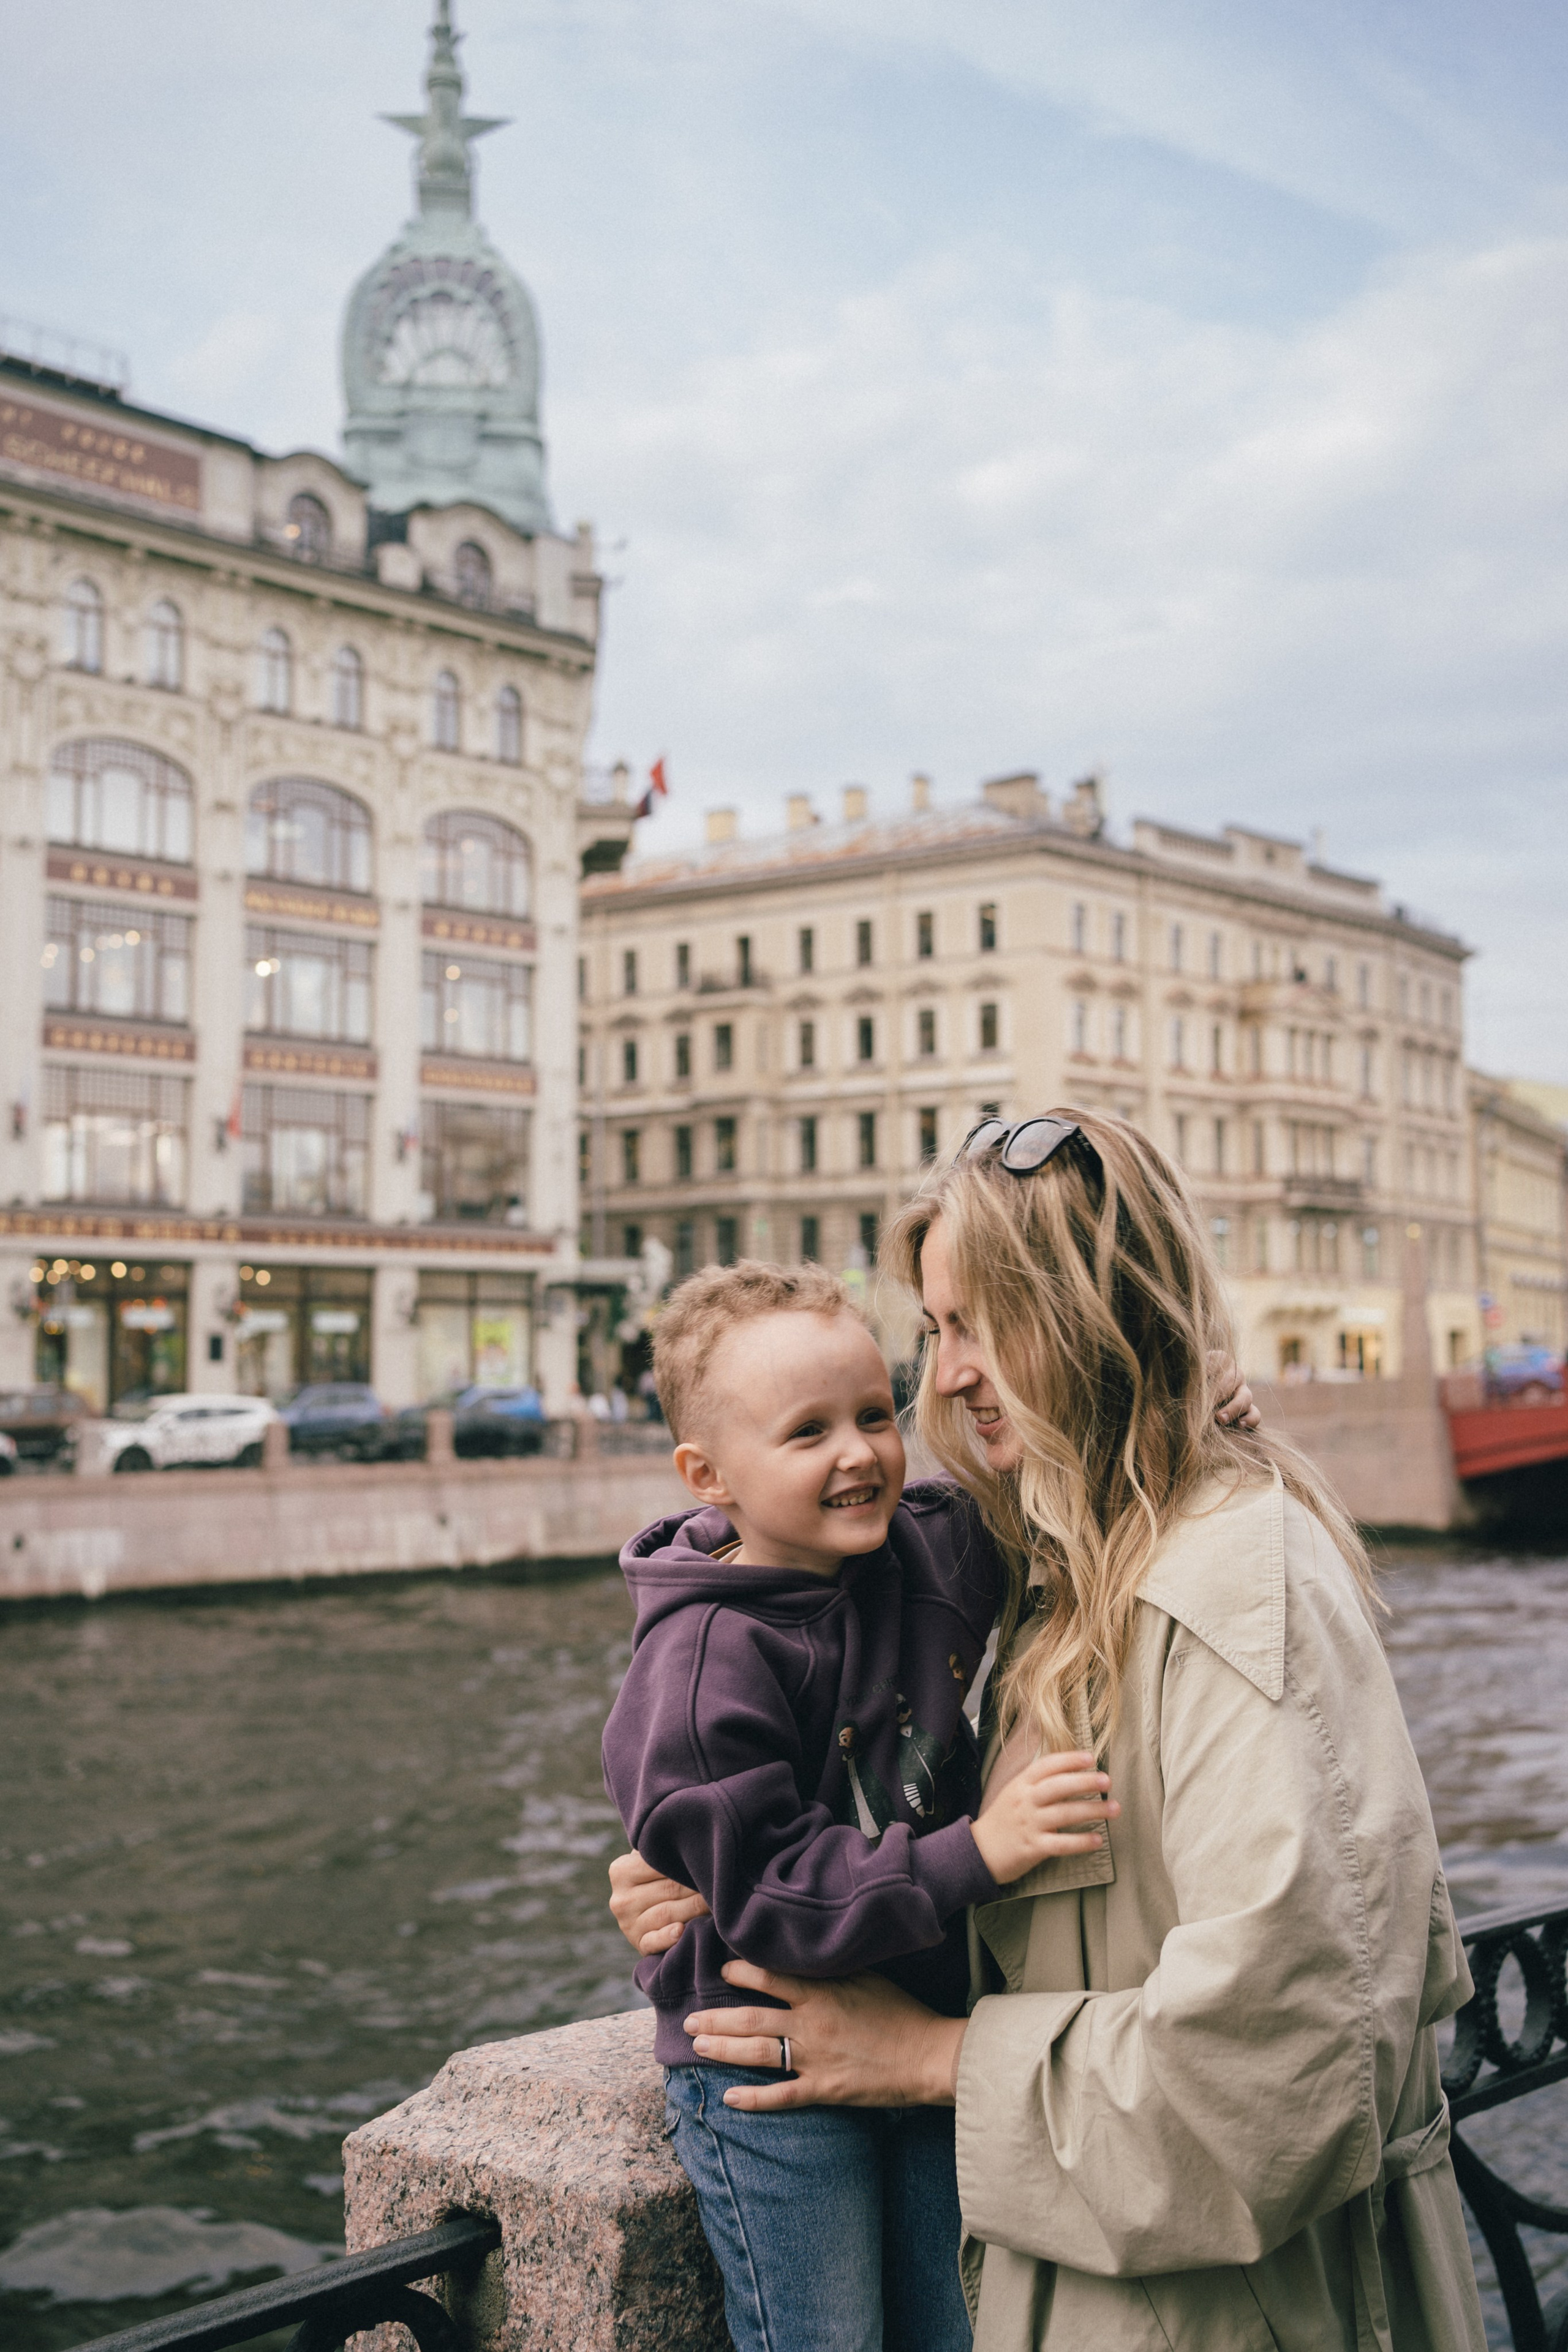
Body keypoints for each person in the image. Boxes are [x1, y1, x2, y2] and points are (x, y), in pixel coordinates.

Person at [613, 1110, 1486, 2352]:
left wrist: (927, 2059)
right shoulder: (1063, 1560)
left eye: (975, 1324)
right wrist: (707, 1862)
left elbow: (1282, 2075)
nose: (944, 1378)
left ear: (1088, 1314)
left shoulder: (1234, 1592)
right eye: (932, 1331)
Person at [600, 1259, 1120, 2352]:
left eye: (876, 1413)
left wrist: (1200, 1409)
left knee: (954, 2326)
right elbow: (772, 1897)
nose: (859, 1453)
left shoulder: (920, 1549)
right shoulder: (701, 1665)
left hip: (925, 2027)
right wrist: (977, 1853)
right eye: (808, 1433)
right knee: (825, 2337)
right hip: (767, 2053)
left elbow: (1079, 1492)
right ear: (711, 1475)